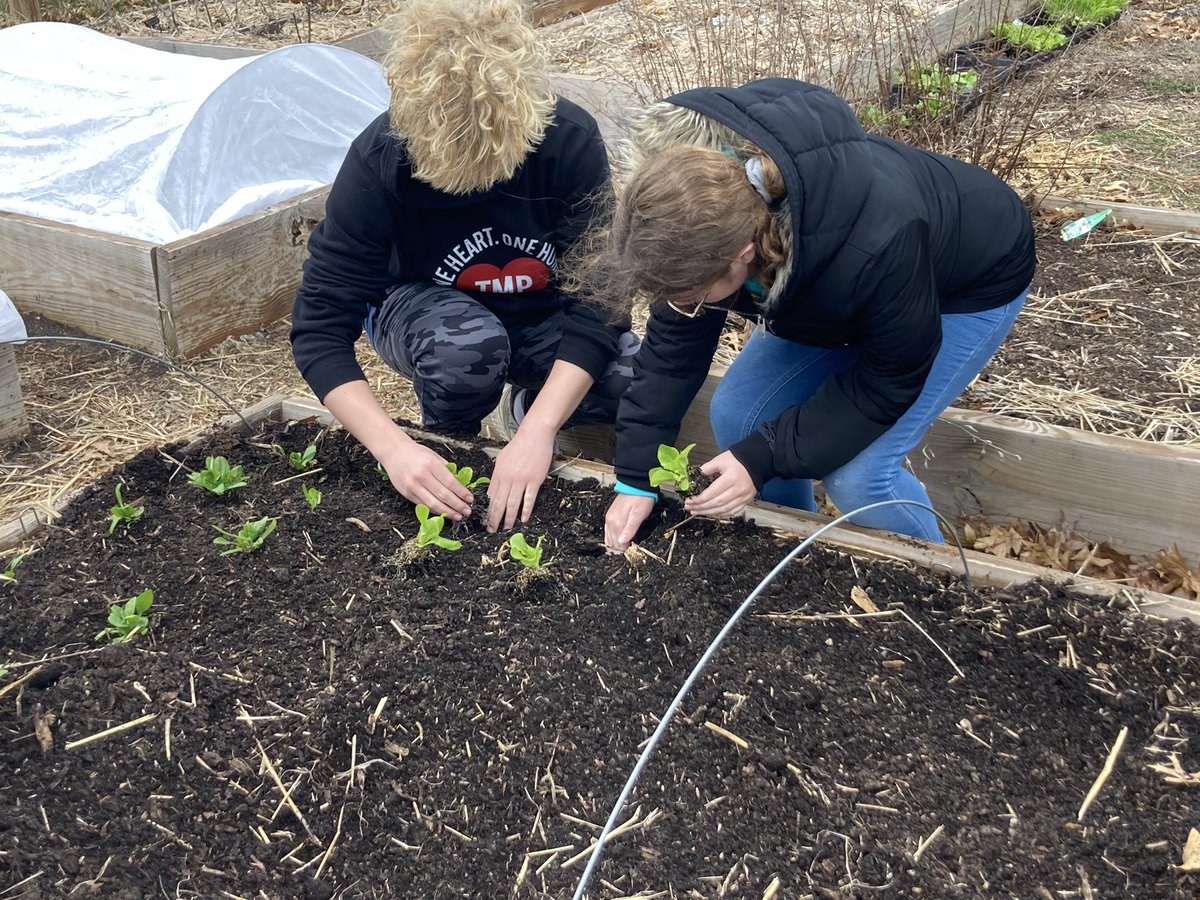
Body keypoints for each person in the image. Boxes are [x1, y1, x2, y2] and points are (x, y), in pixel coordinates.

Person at [594, 78, 1036, 551]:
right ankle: (798, 547)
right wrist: (635, 479)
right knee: (739, 417)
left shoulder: (876, 239)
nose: (688, 307)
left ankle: (941, 581)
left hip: (970, 279)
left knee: (861, 478)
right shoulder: (694, 217)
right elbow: (671, 351)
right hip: (835, 287)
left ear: (742, 255)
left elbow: (890, 376)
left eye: (697, 296)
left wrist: (764, 457)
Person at [290, 0, 637, 533]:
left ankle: (519, 413)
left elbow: (601, 303)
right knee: (467, 345)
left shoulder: (566, 139)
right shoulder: (380, 160)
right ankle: (452, 443)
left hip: (541, 312)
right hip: (424, 311)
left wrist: (537, 432)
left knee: (633, 378)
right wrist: (396, 450)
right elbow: (318, 332)